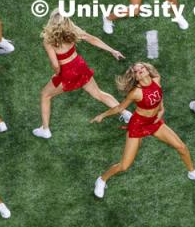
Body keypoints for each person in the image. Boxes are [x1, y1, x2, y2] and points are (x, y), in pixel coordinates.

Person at [91, 62, 195, 198]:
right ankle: (102, 179)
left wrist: (162, 109)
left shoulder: (156, 79)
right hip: (138, 125)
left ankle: (192, 172)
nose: (140, 70)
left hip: (154, 123)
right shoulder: (136, 92)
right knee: (125, 165)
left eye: (142, 67)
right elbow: (119, 108)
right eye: (136, 71)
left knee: (181, 147)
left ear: (147, 69)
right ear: (135, 77)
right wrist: (102, 115)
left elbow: (159, 95)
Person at [33, 10, 132, 139]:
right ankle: (125, 113)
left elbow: (56, 65)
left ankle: (45, 129)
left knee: (45, 95)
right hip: (80, 66)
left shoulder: (48, 40)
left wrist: (58, 75)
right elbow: (92, 39)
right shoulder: (73, 30)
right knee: (98, 93)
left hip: (67, 72)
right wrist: (112, 50)